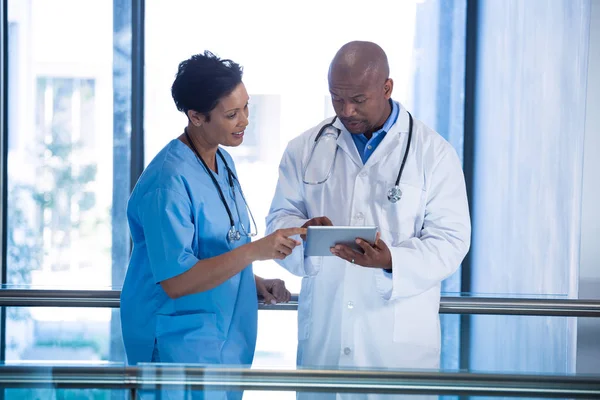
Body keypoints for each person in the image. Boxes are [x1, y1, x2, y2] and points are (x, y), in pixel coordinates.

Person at [266, 41, 471, 399]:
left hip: (397, 350)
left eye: (358, 99)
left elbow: (452, 241)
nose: (346, 110)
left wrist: (392, 260)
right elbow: (277, 223)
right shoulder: (305, 148)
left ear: (387, 88)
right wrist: (302, 233)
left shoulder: (433, 153)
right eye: (336, 98)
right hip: (326, 342)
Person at [120, 51, 305, 399]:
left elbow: (216, 249)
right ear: (196, 116)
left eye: (247, 107)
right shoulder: (168, 181)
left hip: (220, 347)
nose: (245, 120)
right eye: (232, 114)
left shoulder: (222, 159)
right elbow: (176, 280)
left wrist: (251, 282)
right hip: (176, 348)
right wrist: (256, 251)